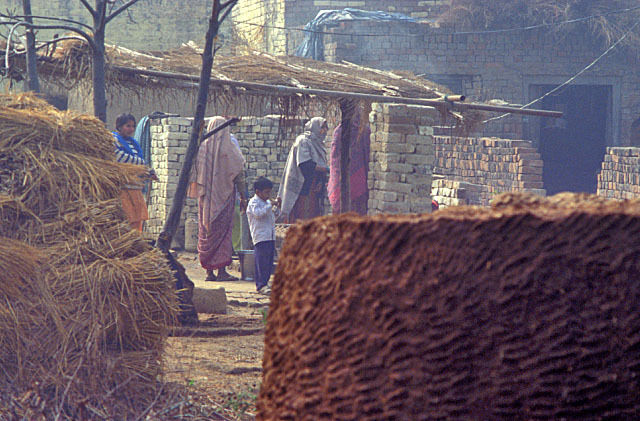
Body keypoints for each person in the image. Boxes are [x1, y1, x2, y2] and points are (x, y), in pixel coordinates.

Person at [189, 116, 248, 282]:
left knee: (206, 231)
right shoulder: (230, 149)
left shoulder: (202, 148)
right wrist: (244, 197)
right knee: (223, 234)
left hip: (206, 200)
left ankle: (209, 272)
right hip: (225, 198)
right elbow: (239, 175)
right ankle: (221, 271)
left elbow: (193, 173)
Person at [277, 117, 329, 222]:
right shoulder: (303, 141)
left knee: (313, 216)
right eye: (322, 127)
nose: (325, 131)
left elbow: (321, 163)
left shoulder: (319, 144)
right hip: (303, 185)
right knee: (300, 216)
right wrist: (325, 169)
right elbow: (305, 164)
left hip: (314, 187)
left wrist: (320, 180)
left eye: (325, 128)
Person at [113, 113, 157, 231]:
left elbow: (139, 163)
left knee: (138, 219)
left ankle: (136, 240)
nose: (131, 129)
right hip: (123, 188)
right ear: (119, 126)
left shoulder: (134, 143)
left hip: (136, 188)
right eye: (128, 126)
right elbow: (120, 157)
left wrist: (148, 172)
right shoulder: (113, 140)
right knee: (126, 218)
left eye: (133, 126)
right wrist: (141, 164)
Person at [327, 111, 371, 215]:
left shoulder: (340, 130)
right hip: (354, 176)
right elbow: (367, 154)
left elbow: (334, 157)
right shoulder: (363, 130)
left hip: (349, 175)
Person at [246, 176, 281, 295]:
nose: (268, 195)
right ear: (258, 192)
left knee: (268, 262)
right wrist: (270, 204)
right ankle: (261, 285)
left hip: (269, 236)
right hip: (260, 237)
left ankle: (266, 282)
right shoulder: (253, 202)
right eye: (266, 192)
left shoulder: (266, 203)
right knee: (261, 262)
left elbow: (273, 216)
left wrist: (277, 206)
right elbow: (258, 214)